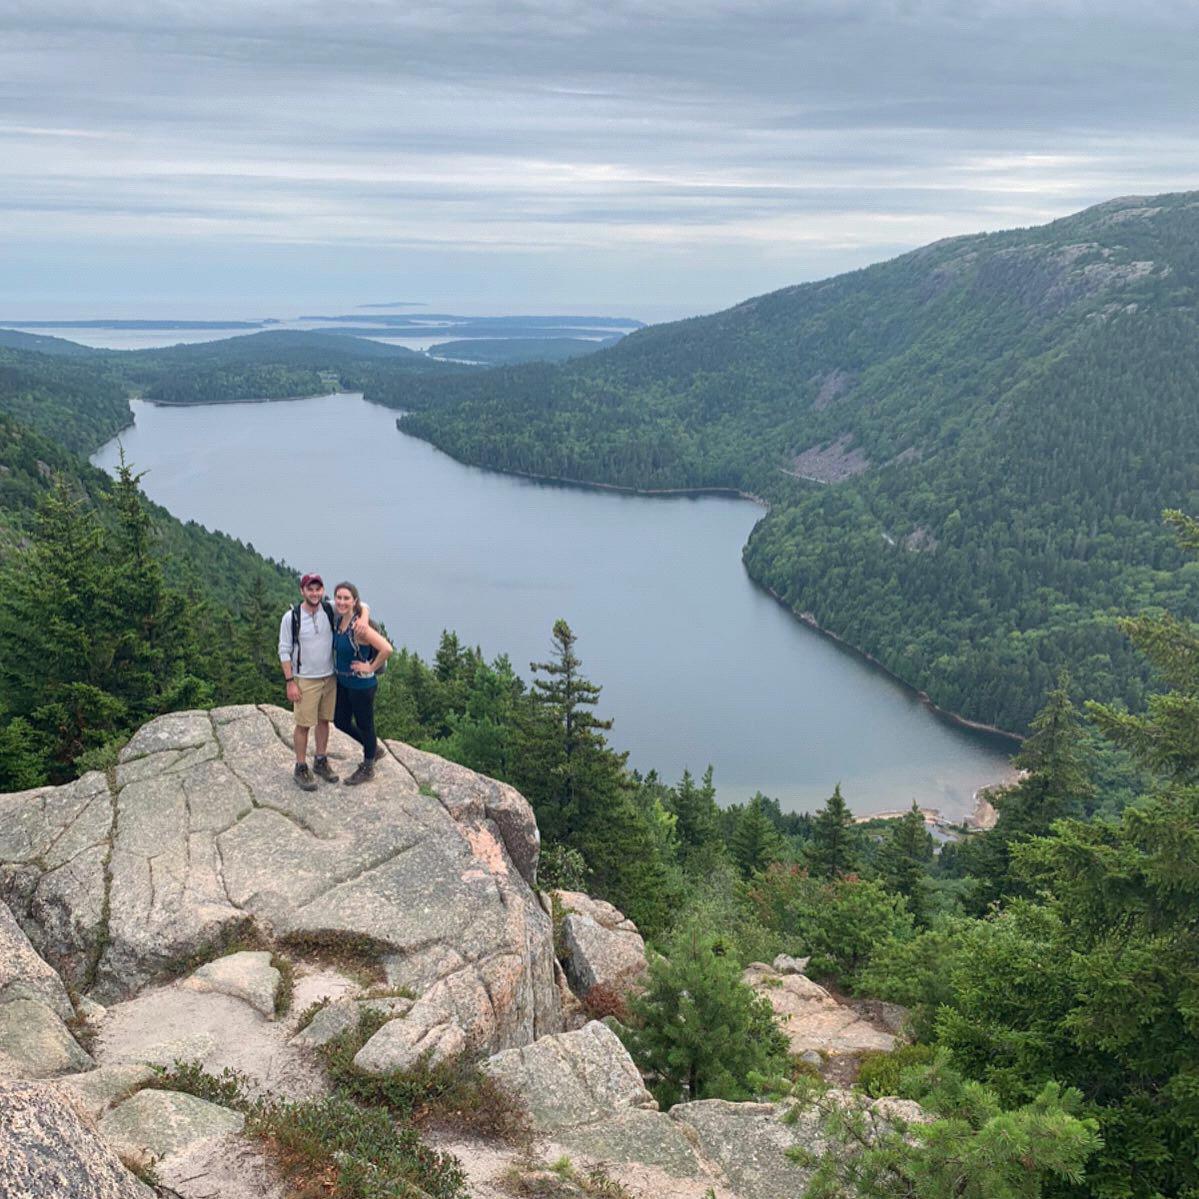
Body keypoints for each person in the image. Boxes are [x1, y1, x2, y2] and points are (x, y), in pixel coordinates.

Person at [278, 573, 340, 791]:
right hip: (305, 679)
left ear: (323, 591)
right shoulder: (292, 617)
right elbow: (284, 650)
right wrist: (290, 682)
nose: (314, 593)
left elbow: (361, 604)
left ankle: (321, 760)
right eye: (310, 589)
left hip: (328, 676)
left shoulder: (330, 609)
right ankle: (301, 766)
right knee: (303, 724)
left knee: (324, 721)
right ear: (302, 591)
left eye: (318, 589)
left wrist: (363, 616)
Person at [331, 580, 393, 785]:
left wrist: (371, 667)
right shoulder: (338, 620)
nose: (341, 601)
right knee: (340, 721)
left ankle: (368, 765)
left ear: (354, 601)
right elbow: (364, 605)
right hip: (344, 683)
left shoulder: (360, 628)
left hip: (362, 686)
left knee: (366, 724)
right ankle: (373, 748)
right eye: (339, 597)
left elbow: (387, 649)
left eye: (346, 598)